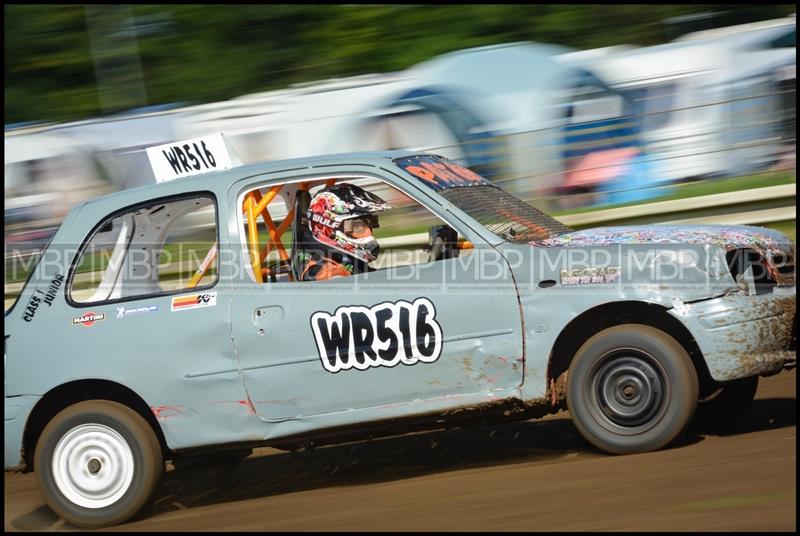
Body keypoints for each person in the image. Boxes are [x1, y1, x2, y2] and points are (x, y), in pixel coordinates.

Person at [301, 183, 391, 281]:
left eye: (371, 223)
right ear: (329, 225)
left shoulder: (344, 259)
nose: (369, 232)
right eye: (357, 226)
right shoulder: (329, 273)